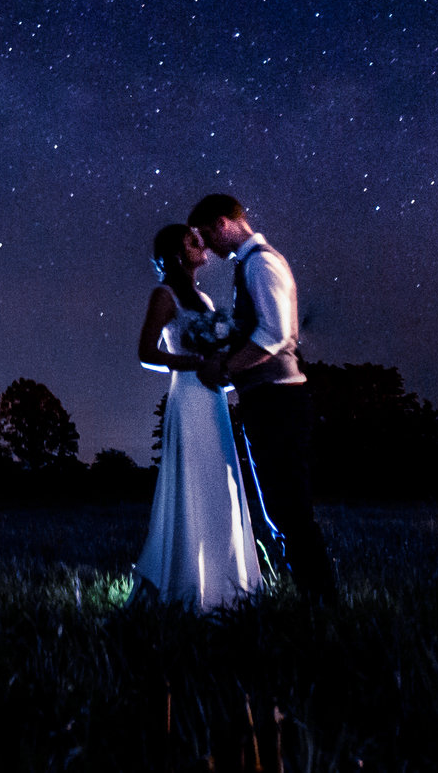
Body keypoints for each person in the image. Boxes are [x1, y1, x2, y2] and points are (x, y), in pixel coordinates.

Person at [190, 193, 337, 598]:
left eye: (205, 235)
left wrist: (224, 368)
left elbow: (275, 334)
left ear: (223, 223)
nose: (207, 247)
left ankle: (321, 601)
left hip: (279, 401)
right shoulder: (250, 264)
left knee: (289, 507)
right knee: (281, 506)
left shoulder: (261, 263)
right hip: (268, 398)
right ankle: (315, 597)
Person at [132, 222, 260, 610]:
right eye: (193, 241)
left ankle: (227, 586)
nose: (201, 244)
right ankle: (188, 586)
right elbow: (146, 353)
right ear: (176, 254)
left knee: (220, 482)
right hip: (188, 397)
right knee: (193, 482)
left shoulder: (203, 299)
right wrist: (191, 363)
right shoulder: (164, 294)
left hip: (212, 398)